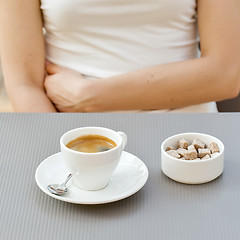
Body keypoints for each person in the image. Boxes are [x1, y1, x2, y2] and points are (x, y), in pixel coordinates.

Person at [0, 0, 239, 113]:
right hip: (74, 138)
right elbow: (24, 84)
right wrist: (62, 151)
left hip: (186, 138)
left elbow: (226, 75)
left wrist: (89, 96)